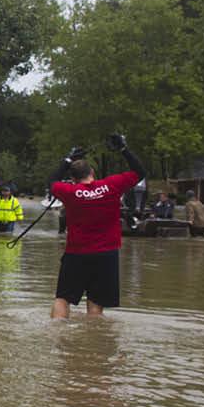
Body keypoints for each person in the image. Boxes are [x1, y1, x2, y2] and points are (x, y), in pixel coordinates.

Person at [48, 134, 146, 319]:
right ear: (92, 171)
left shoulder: (69, 191)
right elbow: (140, 172)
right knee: (96, 303)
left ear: (73, 178)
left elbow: (52, 182)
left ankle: (56, 338)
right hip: (106, 255)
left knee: (62, 299)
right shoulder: (112, 185)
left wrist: (67, 160)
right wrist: (124, 149)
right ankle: (94, 341)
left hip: (76, 253)